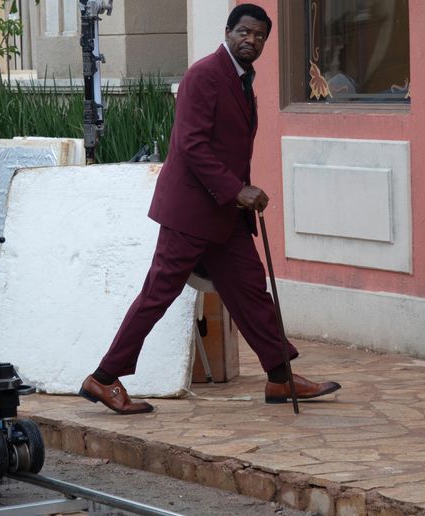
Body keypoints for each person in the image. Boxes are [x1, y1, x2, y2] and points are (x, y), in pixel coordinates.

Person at [79, 4, 341, 415]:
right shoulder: (204, 75)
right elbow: (192, 146)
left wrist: (236, 197)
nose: (251, 40)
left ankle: (279, 377)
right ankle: (105, 378)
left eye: (259, 36)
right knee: (157, 295)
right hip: (190, 213)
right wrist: (239, 191)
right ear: (228, 31)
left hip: (223, 215)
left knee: (251, 291)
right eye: (245, 32)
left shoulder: (241, 79)